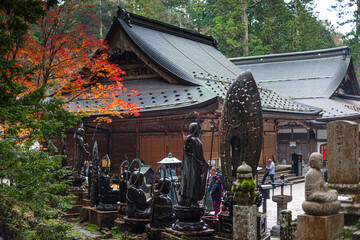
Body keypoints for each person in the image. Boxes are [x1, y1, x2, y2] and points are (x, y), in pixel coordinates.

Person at [179, 120, 209, 208]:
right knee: (194, 182)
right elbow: (199, 157)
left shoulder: (187, 140)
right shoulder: (196, 141)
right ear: (196, 131)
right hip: (194, 167)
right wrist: (206, 164)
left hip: (186, 167)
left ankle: (184, 199)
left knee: (186, 181)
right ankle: (192, 200)